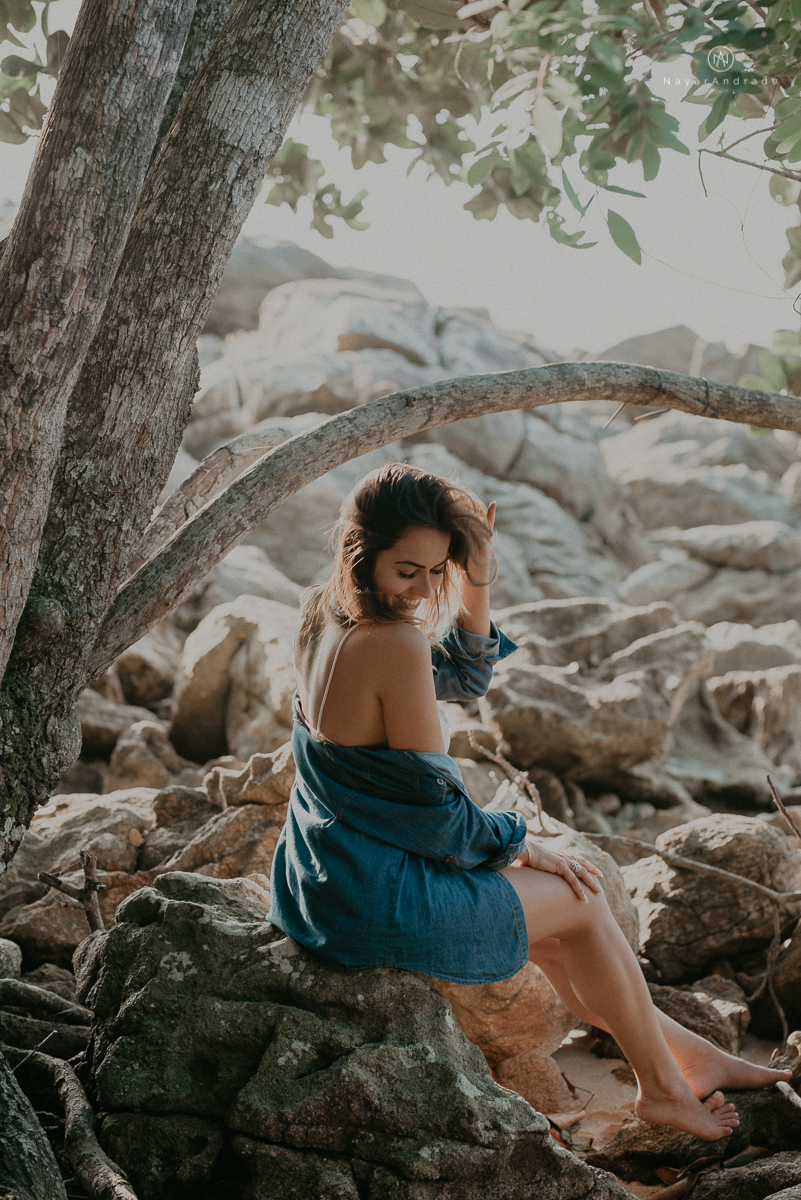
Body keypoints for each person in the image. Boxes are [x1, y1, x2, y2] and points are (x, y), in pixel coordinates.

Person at [268, 462, 790, 1140]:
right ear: (359, 555)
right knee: (581, 896)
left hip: (321, 880)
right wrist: (520, 841)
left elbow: (463, 677)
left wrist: (476, 575)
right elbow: (440, 818)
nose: (422, 590)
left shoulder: (322, 612)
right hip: (373, 897)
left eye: (438, 570)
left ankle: (690, 1058)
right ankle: (663, 1089)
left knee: (555, 935)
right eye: (407, 571)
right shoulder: (393, 642)